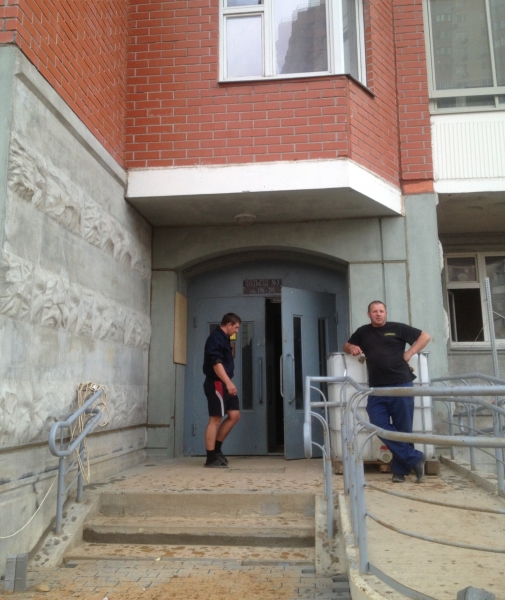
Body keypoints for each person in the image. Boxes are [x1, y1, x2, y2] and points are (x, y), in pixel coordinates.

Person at [343, 301, 431, 483]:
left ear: (386, 313)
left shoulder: (398, 328)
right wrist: (351, 347)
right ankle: (415, 458)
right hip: (377, 388)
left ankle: (399, 472)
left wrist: (410, 353)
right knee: (378, 425)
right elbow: (346, 345)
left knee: (403, 429)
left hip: (401, 384)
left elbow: (425, 337)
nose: (378, 314)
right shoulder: (363, 331)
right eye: (374, 311)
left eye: (381, 311)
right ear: (369, 314)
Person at [202, 313, 242, 468]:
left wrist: (228, 382)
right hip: (217, 383)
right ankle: (210, 457)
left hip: (225, 383)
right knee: (216, 419)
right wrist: (228, 382)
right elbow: (216, 363)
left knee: (234, 415)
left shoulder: (225, 338)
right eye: (236, 327)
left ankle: (217, 450)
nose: (237, 331)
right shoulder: (216, 338)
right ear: (229, 324)